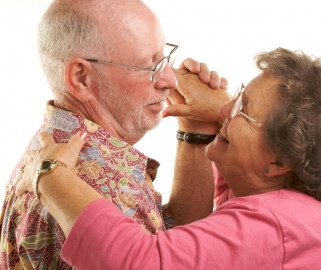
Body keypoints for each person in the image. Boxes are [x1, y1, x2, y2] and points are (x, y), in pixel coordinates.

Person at [17, 47, 321, 269]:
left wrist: (51, 173)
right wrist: (199, 125)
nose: (225, 108)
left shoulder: (275, 225)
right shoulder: (282, 198)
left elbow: (137, 264)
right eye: (239, 94)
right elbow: (193, 243)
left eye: (244, 109)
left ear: (281, 160)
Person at [0, 0, 230, 269]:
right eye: (150, 66)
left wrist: (195, 126)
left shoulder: (53, 140)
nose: (170, 80)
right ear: (81, 78)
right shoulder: (98, 185)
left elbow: (168, 243)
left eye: (165, 57)